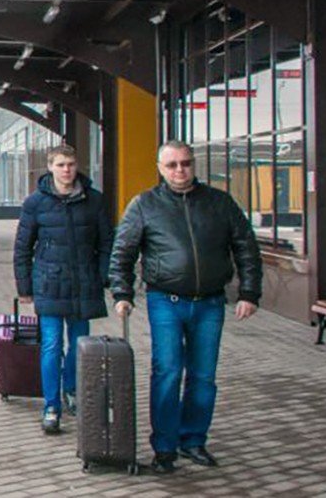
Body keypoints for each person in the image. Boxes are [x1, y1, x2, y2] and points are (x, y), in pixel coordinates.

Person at [109, 140, 262, 474]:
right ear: (161, 168)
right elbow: (122, 253)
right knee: (167, 372)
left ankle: (193, 440)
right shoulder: (145, 205)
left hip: (210, 303)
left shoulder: (220, 203)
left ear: (194, 164)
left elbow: (246, 247)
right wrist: (122, 294)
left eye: (186, 163)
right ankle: (164, 447)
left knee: (203, 376)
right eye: (172, 165)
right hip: (166, 301)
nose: (180, 170)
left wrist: (249, 293)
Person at [13, 144, 112, 435]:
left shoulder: (93, 200)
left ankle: (72, 389)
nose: (66, 170)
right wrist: (25, 286)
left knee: (80, 345)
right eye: (60, 165)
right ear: (50, 168)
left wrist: (103, 276)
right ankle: (51, 406)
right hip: (49, 283)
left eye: (70, 164)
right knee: (52, 345)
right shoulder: (35, 203)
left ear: (77, 165)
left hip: (83, 283)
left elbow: (107, 242)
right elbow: (22, 247)